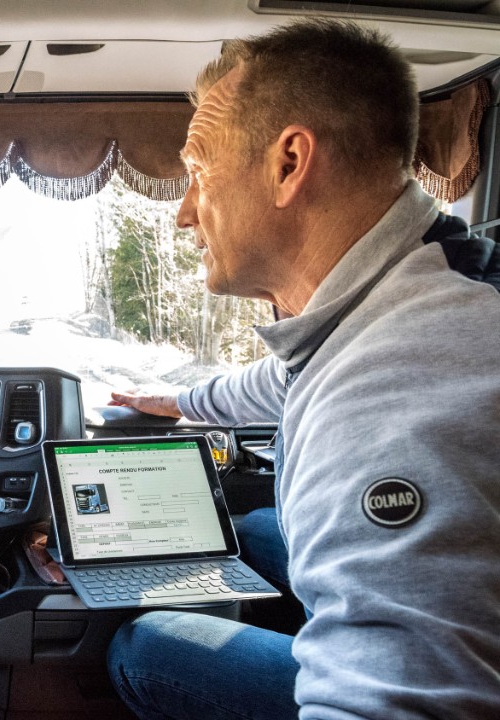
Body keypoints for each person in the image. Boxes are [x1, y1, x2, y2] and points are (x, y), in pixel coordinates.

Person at [103, 19, 500, 720]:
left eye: (199, 172)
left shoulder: (394, 387)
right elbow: (287, 377)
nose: (184, 216)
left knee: (142, 644)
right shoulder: (416, 284)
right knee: (255, 529)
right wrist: (181, 400)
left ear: (290, 163)